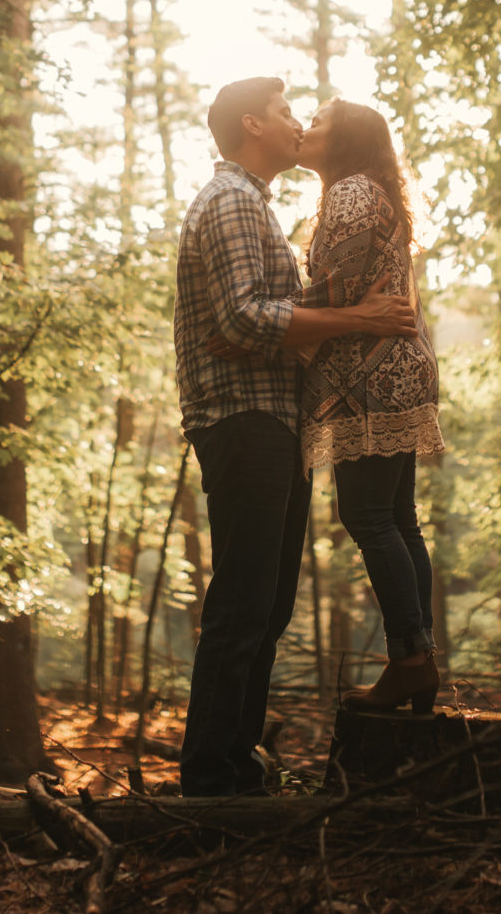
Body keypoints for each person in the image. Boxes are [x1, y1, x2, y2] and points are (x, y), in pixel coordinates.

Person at [173, 78, 417, 798]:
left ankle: (236, 764)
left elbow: (274, 307)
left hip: (274, 418)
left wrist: (358, 303)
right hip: (241, 418)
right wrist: (360, 321)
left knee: (269, 601)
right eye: (285, 113)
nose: (295, 122)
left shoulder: (252, 205)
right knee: (245, 601)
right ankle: (210, 777)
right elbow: (245, 321)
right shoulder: (230, 203)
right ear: (253, 124)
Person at [292, 99, 446, 714]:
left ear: (345, 139)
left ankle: (410, 661)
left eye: (319, 121)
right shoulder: (358, 190)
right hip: (389, 366)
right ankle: (419, 659)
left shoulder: (353, 192)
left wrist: (265, 303)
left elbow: (338, 291)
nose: (306, 127)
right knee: (396, 518)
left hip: (374, 374)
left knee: (370, 517)